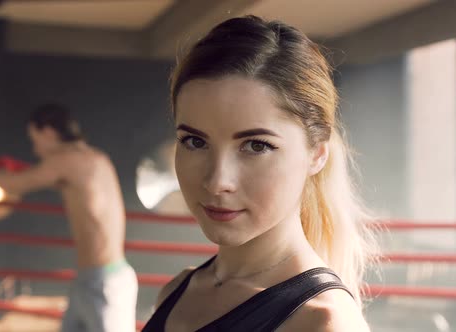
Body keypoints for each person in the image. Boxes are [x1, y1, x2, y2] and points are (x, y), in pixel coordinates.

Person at [142, 15, 378, 331]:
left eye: (256, 146)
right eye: (195, 141)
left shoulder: (323, 322)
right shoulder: (177, 290)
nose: (217, 181)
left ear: (317, 154)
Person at [0, 103, 137, 332]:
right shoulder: (93, 157)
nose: (35, 149)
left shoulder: (66, 159)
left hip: (103, 282)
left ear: (49, 132)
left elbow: (16, 184)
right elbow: (53, 181)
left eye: (35, 139)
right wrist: (16, 169)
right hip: (93, 279)